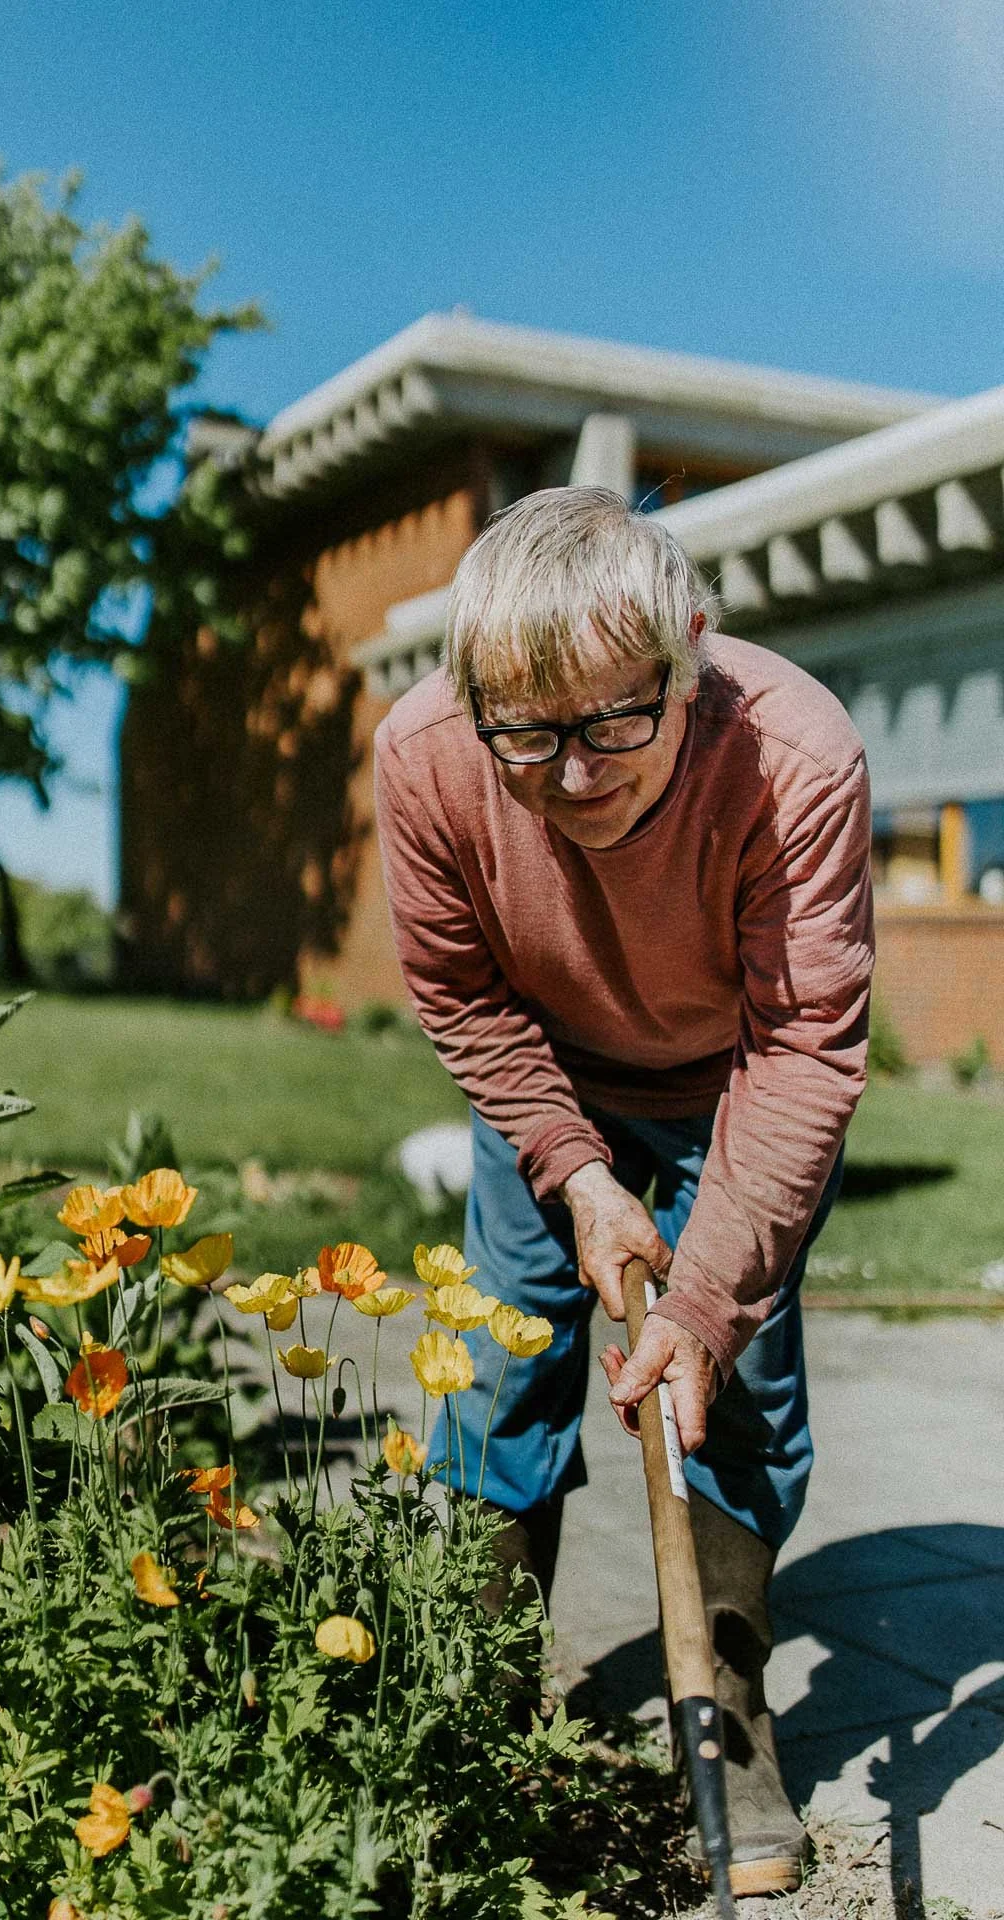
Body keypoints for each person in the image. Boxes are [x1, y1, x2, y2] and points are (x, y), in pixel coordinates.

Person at [373, 487, 873, 1898]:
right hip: (550, 1065)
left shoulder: (797, 756)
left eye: (612, 724)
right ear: (474, 700)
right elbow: (462, 996)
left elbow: (805, 1046)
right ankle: (478, 1686)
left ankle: (723, 1716)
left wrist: (703, 1298)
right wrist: (578, 1173)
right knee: (499, 1355)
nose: (572, 776)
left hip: (738, 1074)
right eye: (526, 733)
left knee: (740, 1380)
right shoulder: (422, 759)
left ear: (689, 653)